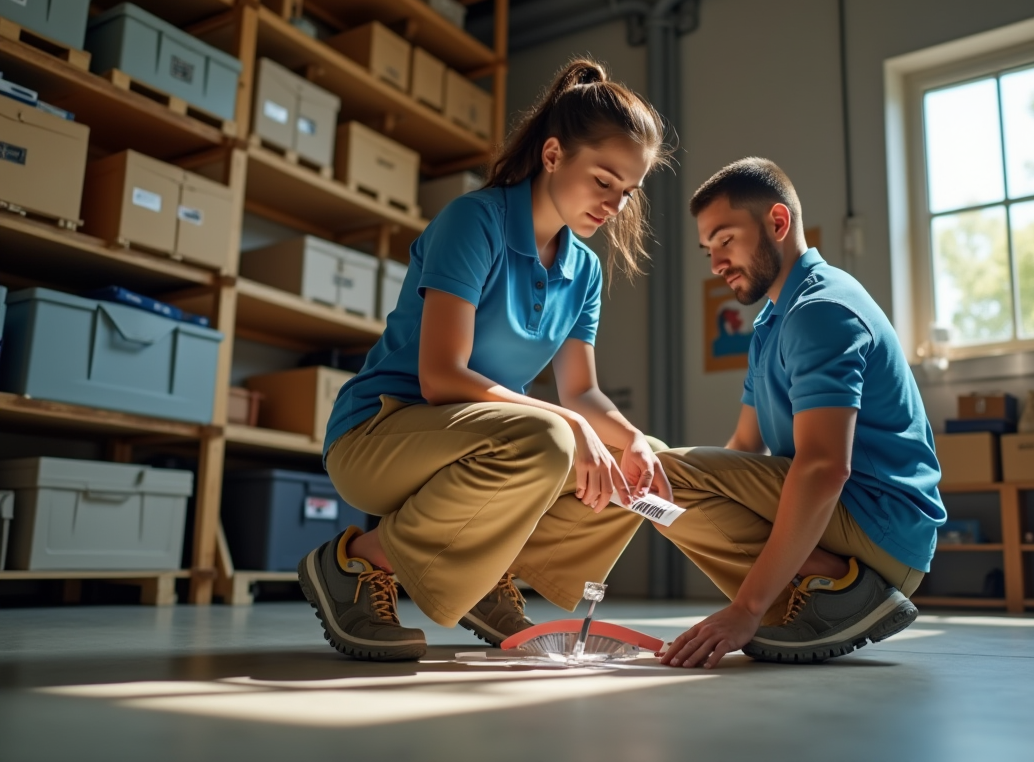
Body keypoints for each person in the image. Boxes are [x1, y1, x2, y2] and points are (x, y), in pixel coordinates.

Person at [298, 59, 673, 661]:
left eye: (627, 192)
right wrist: (572, 425)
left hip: (475, 442)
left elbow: (581, 393)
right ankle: (356, 565)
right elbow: (441, 376)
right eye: (603, 180)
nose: (615, 204)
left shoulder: (586, 271)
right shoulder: (475, 222)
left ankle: (480, 573)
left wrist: (631, 439)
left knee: (634, 466)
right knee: (554, 437)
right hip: (379, 434)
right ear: (553, 155)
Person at [656, 158, 945, 668]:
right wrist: (692, 501)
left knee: (666, 472)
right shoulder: (775, 319)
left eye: (725, 240)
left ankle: (841, 588)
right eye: (708, 250)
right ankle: (817, 586)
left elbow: (824, 465)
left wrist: (745, 606)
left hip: (880, 525)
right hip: (853, 520)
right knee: (656, 483)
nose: (716, 263)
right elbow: (745, 448)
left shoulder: (821, 310)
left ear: (778, 223)